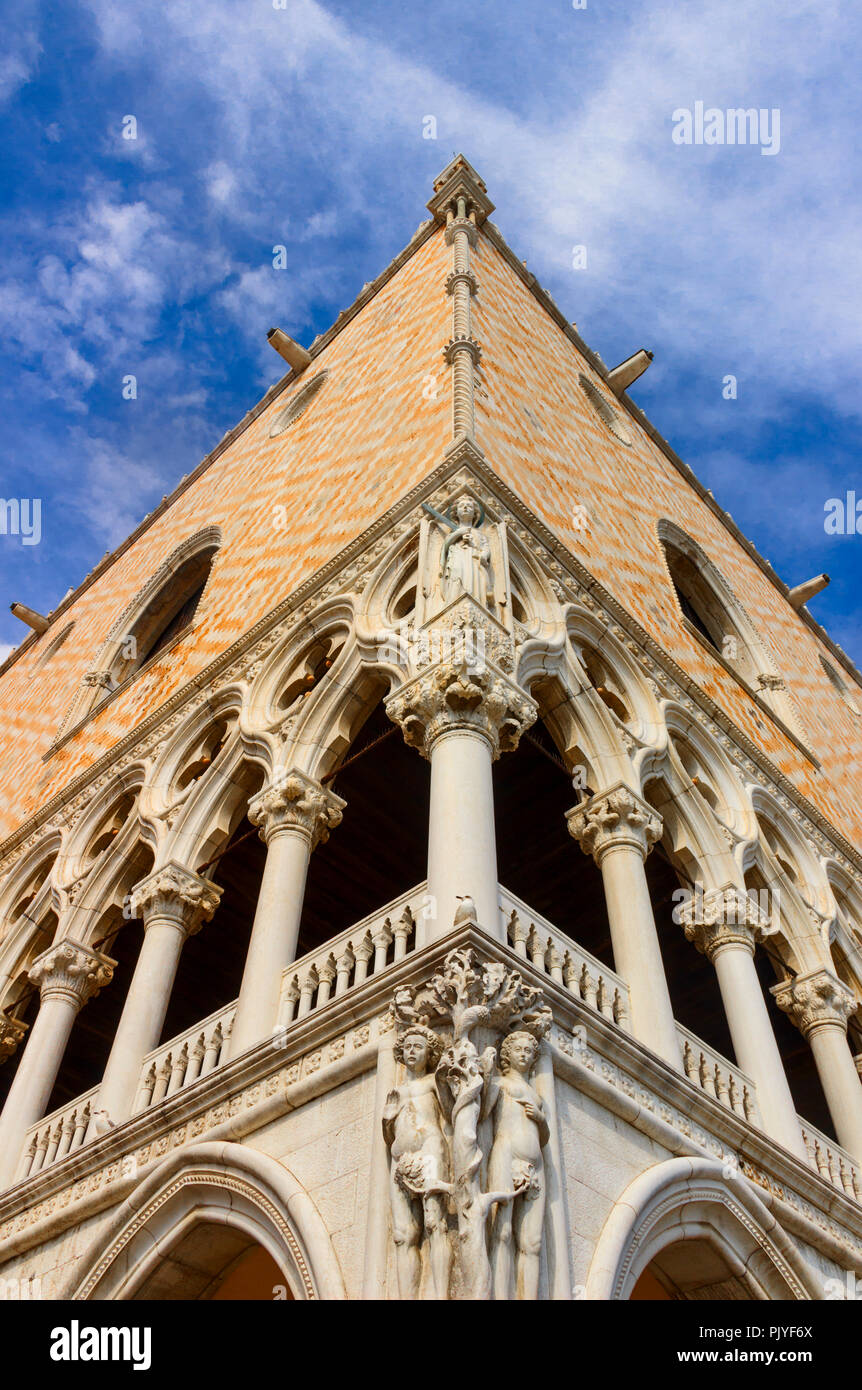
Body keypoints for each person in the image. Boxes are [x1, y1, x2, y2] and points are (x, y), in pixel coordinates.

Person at [382, 1025, 451, 1299]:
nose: (411, 1051)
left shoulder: (433, 1082)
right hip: (400, 1159)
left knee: (435, 1223)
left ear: (429, 1053)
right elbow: (389, 1135)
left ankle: (440, 1292)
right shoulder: (396, 1090)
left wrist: (446, 1080)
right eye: (407, 1046)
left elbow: (450, 1112)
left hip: (430, 1149)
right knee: (403, 1234)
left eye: (418, 1046)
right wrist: (387, 1118)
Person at [485, 1030, 549, 1300]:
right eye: (518, 1050)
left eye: (528, 1051)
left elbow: (544, 1137)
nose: (524, 1054)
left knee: (532, 1242)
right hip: (506, 1155)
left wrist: (541, 1119)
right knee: (503, 1232)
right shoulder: (500, 1083)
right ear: (507, 1055)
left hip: (536, 1166)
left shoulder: (538, 1096)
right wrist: (486, 1076)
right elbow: (483, 1114)